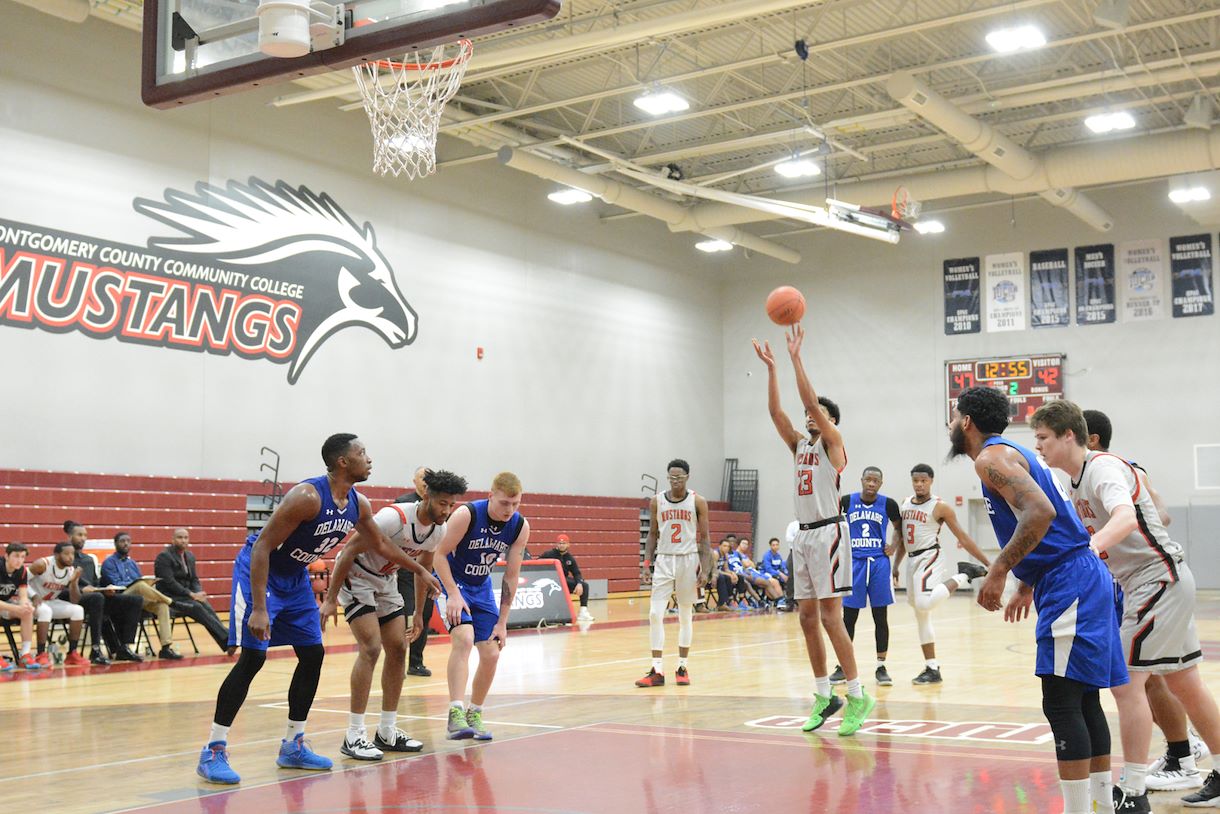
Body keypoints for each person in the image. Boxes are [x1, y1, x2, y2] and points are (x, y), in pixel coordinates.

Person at [1033, 400, 1220, 810]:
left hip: (1155, 580)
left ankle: (1134, 792)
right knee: (1185, 683)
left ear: (1069, 435)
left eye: (1043, 437)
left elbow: (1126, 518)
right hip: (1159, 579)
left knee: (1127, 683)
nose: (1038, 446)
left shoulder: (1103, 468)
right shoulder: (1070, 482)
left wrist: (1093, 546)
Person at [951, 386, 1125, 814]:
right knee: (1084, 697)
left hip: (1070, 580)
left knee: (1062, 700)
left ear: (967, 421)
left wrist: (999, 571)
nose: (951, 425)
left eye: (954, 417)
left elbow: (1041, 513)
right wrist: (1028, 582)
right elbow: (1052, 521)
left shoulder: (990, 459)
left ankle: (1081, 810)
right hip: (1075, 576)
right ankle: (1101, 803)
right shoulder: (1011, 455)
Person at [197, 433, 394, 785]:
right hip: (260, 573)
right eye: (362, 453)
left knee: (313, 654)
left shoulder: (357, 504)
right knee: (253, 658)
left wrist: (421, 569)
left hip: (294, 579)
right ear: (342, 462)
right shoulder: (307, 496)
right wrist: (259, 608)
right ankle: (213, 748)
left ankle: (293, 744)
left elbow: (379, 543)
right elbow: (261, 548)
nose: (370, 458)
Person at [752, 325, 873, 736]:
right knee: (806, 618)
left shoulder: (833, 443)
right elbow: (777, 414)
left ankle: (857, 694)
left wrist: (795, 358)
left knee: (830, 616)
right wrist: (771, 370)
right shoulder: (800, 446)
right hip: (803, 536)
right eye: (809, 414)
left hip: (831, 534)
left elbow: (807, 399)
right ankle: (825, 694)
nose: (809, 415)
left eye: (817, 412)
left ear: (830, 420)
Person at [1083, 409, 1209, 793]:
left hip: (1148, 578)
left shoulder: (1116, 469)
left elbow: (1161, 517)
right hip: (1124, 580)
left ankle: (1178, 756)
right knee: (1168, 678)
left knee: (1139, 679)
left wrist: (1109, 539)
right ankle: (1184, 751)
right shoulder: (1077, 477)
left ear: (1088, 440)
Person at [320, 469, 465, 761]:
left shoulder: (438, 530)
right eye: (442, 504)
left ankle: (386, 730)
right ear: (426, 496)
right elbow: (347, 552)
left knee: (399, 648)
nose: (447, 511)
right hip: (356, 576)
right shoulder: (393, 518)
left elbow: (423, 571)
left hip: (386, 581)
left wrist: (419, 614)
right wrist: (331, 598)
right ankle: (354, 734)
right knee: (371, 647)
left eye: (452, 505)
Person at [433, 472, 532, 741]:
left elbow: (511, 576)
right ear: (491, 496)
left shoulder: (520, 526)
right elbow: (438, 555)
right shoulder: (467, 514)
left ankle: (474, 712)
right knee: (464, 639)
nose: (509, 510)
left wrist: (502, 622)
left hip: (482, 588)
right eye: (503, 503)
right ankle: (455, 713)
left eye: (515, 504)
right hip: (453, 583)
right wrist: (452, 594)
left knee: (491, 653)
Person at [891, 464, 991, 685]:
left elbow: (963, 536)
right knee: (920, 613)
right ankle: (932, 667)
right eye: (916, 480)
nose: (919, 484)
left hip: (930, 556)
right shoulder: (905, 503)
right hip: (911, 559)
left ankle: (965, 575)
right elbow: (901, 538)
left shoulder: (940, 507)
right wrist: (895, 565)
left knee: (925, 604)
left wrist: (988, 563)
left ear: (931, 481)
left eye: (923, 480)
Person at [637, 459, 713, 688]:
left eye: (679, 477)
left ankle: (682, 666)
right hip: (664, 559)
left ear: (687, 477)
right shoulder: (656, 501)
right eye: (671, 477)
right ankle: (657, 670)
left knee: (685, 615)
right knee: (654, 614)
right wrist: (646, 562)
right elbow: (652, 534)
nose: (675, 480)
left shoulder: (698, 501)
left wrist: (706, 568)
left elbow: (705, 537)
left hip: (688, 559)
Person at [833, 467, 902, 687]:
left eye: (876, 481)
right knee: (848, 618)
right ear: (861, 480)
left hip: (879, 564)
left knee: (880, 617)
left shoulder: (888, 504)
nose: (871, 484)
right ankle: (842, 667)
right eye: (868, 480)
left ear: (881, 483)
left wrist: (893, 545)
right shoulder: (846, 501)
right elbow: (833, 524)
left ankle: (881, 666)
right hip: (854, 564)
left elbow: (899, 528)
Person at [64, 522, 145, 664]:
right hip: (72, 597)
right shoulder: (64, 558)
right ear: (70, 536)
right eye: (79, 535)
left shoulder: (88, 560)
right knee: (97, 598)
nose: (83, 538)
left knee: (134, 600)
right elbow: (60, 584)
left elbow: (95, 583)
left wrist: (105, 588)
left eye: (85, 535)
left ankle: (124, 647)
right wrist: (83, 589)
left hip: (95, 597)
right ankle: (95, 650)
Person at [101, 532, 181, 660]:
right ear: (115, 543)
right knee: (140, 586)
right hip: (120, 598)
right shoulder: (109, 563)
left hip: (137, 598)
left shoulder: (132, 563)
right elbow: (116, 584)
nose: (126, 543)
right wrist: (137, 584)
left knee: (162, 605)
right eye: (122, 541)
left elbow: (139, 579)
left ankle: (166, 648)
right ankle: (173, 602)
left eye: (128, 541)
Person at [154, 529, 230, 652]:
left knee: (205, 604)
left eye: (186, 537)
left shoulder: (189, 556)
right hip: (170, 598)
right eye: (180, 537)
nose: (183, 540)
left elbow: (194, 579)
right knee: (196, 607)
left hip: (187, 597)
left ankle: (225, 642)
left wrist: (198, 593)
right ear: (172, 540)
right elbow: (169, 583)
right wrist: (191, 594)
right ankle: (227, 636)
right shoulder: (164, 557)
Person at [395, 466, 437, 677]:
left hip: (426, 571)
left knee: (425, 614)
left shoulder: (439, 507)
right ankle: (398, 660)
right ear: (414, 481)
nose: (425, 482)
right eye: (422, 478)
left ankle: (416, 662)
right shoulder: (402, 503)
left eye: (429, 479)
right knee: (406, 614)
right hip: (404, 570)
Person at [26, 542, 88, 667]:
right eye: (67, 554)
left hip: (49, 601)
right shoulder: (42, 564)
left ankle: (72, 653)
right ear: (56, 555)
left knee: (78, 610)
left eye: (73, 554)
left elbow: (75, 600)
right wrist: (33, 595)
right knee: (45, 611)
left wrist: (74, 581)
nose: (71, 557)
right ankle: (41, 654)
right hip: (29, 600)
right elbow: (20, 580)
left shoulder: (70, 570)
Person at [0, 543, 40, 670]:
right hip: (4, 605)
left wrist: (25, 605)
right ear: (6, 556)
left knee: (27, 612)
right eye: (16, 556)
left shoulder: (22, 571)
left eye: (22, 557)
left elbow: (23, 595)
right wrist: (16, 608)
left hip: (5, 605)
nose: (19, 560)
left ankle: (25, 655)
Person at [538, 534, 594, 622]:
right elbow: (538, 563)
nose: (561, 545)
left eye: (564, 543)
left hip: (564, 581)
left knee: (584, 585)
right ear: (557, 544)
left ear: (568, 545)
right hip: (551, 581)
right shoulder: (549, 554)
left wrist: (579, 583)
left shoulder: (570, 559)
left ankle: (583, 612)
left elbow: (576, 573)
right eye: (560, 543)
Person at [736, 538, 785, 607]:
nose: (745, 545)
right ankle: (779, 600)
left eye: (747, 544)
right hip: (749, 574)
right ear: (738, 544)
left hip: (755, 572)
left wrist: (749, 564)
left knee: (774, 581)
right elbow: (747, 565)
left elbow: (753, 565)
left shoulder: (744, 555)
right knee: (772, 581)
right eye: (743, 543)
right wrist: (748, 564)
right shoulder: (736, 554)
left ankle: (779, 600)